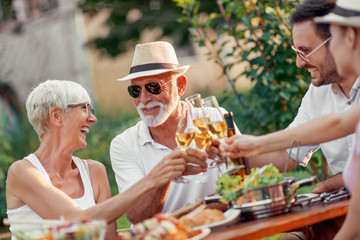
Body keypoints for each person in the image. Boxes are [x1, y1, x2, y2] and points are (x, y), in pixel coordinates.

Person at [6, 80, 188, 240]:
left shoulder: (94, 172)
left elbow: (109, 238)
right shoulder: (22, 172)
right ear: (56, 116)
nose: (93, 118)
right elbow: (76, 223)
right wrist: (154, 178)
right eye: (84, 108)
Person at [110, 41, 238, 223]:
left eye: (153, 87)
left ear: (180, 86)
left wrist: (226, 157)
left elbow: (245, 176)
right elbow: (137, 216)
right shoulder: (123, 144)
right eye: (135, 90)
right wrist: (167, 174)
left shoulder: (214, 118)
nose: (144, 99)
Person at [247, 0, 359, 194]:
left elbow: (336, 126)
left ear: (347, 39)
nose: (299, 63)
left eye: (305, 51)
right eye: (296, 52)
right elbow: (289, 150)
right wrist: (231, 154)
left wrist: (326, 186)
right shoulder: (319, 92)